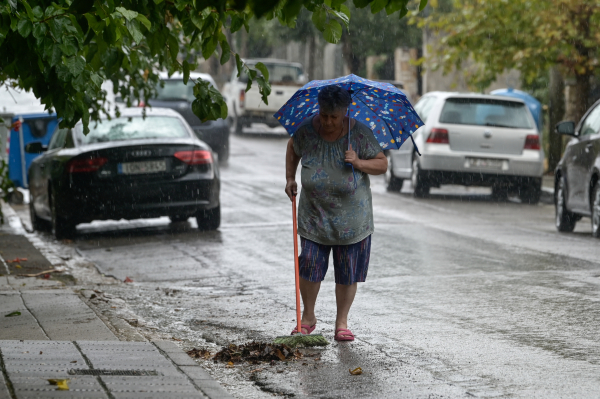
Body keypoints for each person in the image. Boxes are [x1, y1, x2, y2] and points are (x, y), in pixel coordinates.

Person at [284, 85, 387, 341]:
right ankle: (308, 317)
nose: (328, 121)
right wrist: (289, 178)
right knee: (308, 264)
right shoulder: (307, 130)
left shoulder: (359, 134)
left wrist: (359, 162)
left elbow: (382, 164)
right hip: (314, 215)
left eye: (334, 117)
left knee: (347, 270)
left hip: (352, 221)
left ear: (345, 112)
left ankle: (342, 322)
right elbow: (292, 147)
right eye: (324, 115)